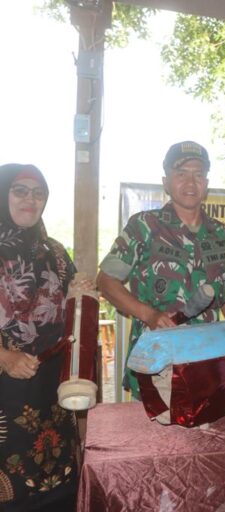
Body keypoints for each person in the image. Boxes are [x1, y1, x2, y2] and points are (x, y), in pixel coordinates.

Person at [97, 141, 225, 398]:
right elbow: (107, 281)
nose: (190, 182)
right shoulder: (144, 226)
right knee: (150, 439)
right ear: (166, 182)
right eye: (181, 174)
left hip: (206, 364)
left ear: (206, 183)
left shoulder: (220, 233)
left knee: (206, 439)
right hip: (156, 364)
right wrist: (149, 314)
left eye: (198, 174)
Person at [0, 164, 80, 511]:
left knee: (59, 494)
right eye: (20, 190)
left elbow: (73, 312)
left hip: (52, 396)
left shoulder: (57, 253)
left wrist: (80, 294)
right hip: (5, 394)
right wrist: (4, 357)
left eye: (38, 193)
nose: (30, 199)